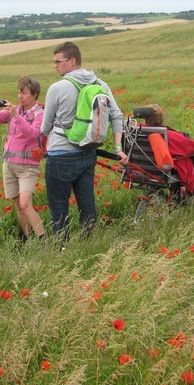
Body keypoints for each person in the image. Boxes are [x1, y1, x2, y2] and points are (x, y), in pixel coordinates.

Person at [41, 41, 128, 243]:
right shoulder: (100, 84)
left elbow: (45, 127)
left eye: (58, 61)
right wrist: (118, 148)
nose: (55, 66)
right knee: (87, 204)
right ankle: (90, 244)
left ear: (72, 61)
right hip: (88, 154)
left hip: (60, 156)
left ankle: (62, 249)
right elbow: (117, 116)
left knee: (58, 207)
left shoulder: (57, 88)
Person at [0, 76, 46, 241]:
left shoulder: (39, 114)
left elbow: (32, 133)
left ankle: (44, 240)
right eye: (19, 92)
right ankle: (27, 238)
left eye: (24, 93)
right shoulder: (15, 110)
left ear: (34, 95)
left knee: (25, 204)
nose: (20, 97)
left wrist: (17, 116)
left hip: (27, 166)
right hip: (9, 163)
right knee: (18, 205)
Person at [143, 104, 194, 201]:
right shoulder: (167, 135)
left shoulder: (138, 131)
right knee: (192, 160)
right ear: (161, 117)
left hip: (144, 167)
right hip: (163, 171)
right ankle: (192, 194)